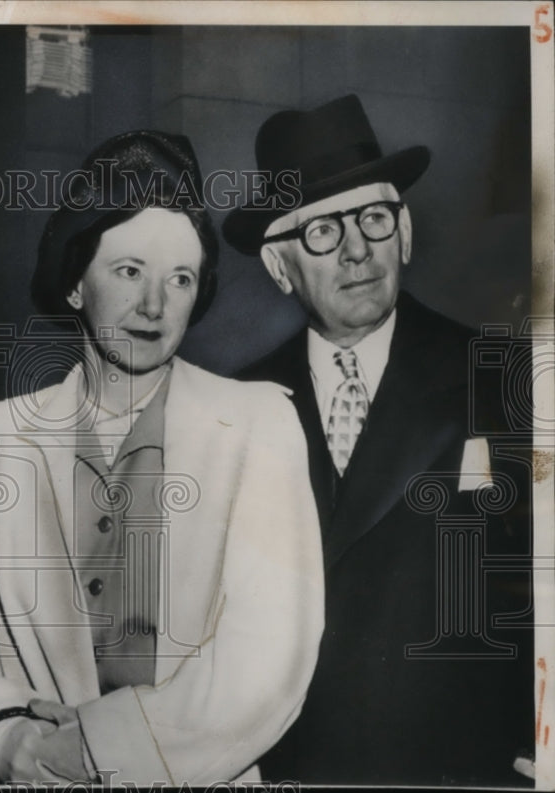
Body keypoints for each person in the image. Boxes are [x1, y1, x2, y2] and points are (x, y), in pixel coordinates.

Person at [0, 130, 324, 786]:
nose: (155, 306)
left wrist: (102, 747)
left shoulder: (260, 427)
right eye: (129, 271)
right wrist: (9, 745)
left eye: (179, 278)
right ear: (76, 284)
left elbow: (270, 660)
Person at [224, 94, 534, 787]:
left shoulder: (507, 381)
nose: (357, 249)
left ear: (405, 233)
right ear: (280, 267)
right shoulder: (233, 410)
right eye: (323, 232)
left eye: (371, 217)